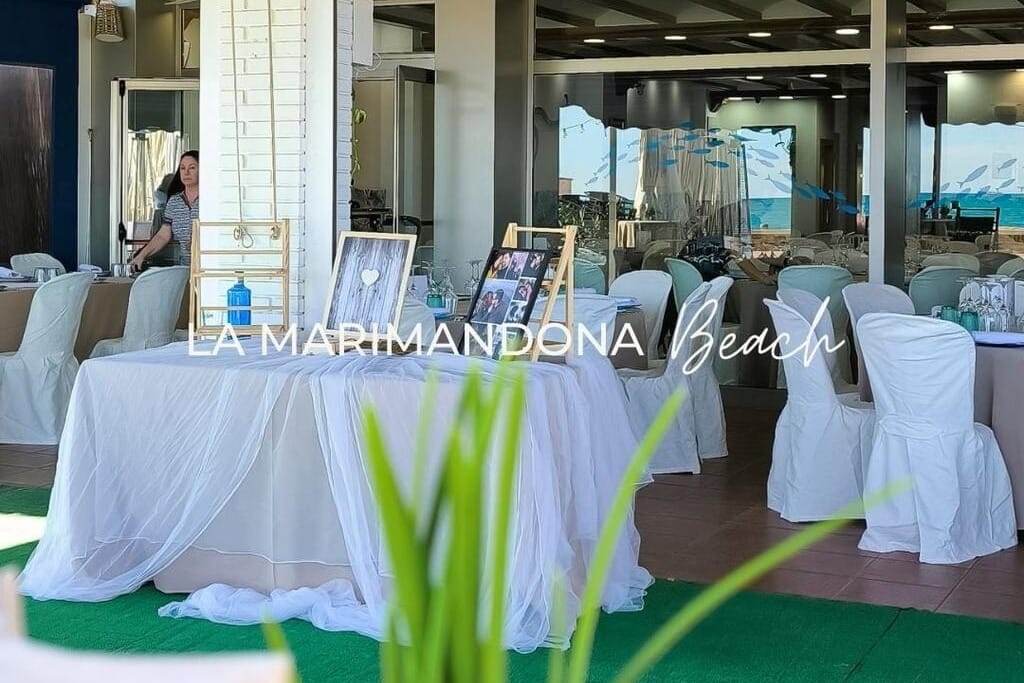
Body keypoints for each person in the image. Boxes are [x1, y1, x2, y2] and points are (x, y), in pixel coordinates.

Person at [131, 151, 199, 270]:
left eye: (192, 168)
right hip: (186, 270)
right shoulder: (174, 202)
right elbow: (163, 236)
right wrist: (141, 255)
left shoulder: (211, 202)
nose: (186, 172)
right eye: (182, 168)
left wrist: (199, 242)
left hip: (210, 272)